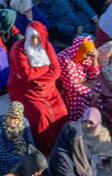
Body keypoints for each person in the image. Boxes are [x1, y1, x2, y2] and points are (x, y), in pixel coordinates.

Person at [8, 23, 67, 154]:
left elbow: (56, 71)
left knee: (61, 111)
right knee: (40, 115)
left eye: (38, 37)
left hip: (47, 86)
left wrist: (40, 79)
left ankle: (62, 142)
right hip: (24, 89)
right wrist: (46, 68)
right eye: (32, 37)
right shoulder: (18, 49)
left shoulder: (46, 46)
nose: (35, 41)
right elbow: (26, 75)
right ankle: (46, 149)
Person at [0, 100, 36, 176]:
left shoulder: (24, 122)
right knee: (19, 172)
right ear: (6, 115)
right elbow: (2, 153)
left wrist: (30, 155)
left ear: (20, 117)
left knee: (36, 165)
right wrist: (23, 160)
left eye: (15, 118)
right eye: (10, 117)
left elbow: (30, 142)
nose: (12, 121)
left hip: (19, 152)